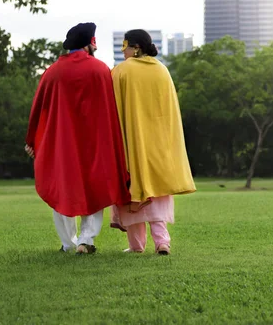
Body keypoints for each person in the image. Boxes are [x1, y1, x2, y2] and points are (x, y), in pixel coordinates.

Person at [25, 22, 130, 254]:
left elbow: (38, 109)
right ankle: (87, 240)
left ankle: (67, 242)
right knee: (94, 188)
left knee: (62, 187)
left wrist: (32, 139)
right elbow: (110, 107)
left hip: (62, 143)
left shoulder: (53, 72)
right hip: (94, 142)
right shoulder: (100, 69)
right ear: (89, 43)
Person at [110, 29, 196, 255]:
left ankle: (136, 245)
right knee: (158, 193)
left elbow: (112, 109)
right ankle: (162, 242)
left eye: (126, 47)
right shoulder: (162, 70)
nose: (124, 52)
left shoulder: (121, 71)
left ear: (135, 47)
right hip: (160, 142)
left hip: (133, 141)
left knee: (133, 188)